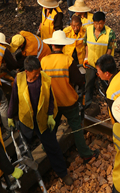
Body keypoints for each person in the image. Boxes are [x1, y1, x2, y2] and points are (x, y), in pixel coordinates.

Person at [8, 55, 73, 186]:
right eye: (35, 73)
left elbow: (50, 99)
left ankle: (63, 173)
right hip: (26, 119)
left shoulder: (44, 80)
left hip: (42, 119)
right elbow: (14, 98)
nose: (38, 75)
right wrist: (10, 116)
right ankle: (22, 173)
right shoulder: (19, 80)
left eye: (39, 72)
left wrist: (50, 115)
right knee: (23, 147)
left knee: (52, 146)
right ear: (27, 71)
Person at [42, 32, 96, 163]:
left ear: (53, 44)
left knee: (51, 129)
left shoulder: (44, 61)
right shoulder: (68, 60)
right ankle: (85, 153)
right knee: (76, 127)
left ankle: (50, 152)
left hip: (52, 102)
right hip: (68, 101)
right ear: (63, 45)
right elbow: (78, 80)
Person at [83, 11, 116, 111]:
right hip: (91, 63)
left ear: (104, 22)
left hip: (103, 65)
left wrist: (105, 65)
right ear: (93, 22)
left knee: (107, 85)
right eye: (96, 23)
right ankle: (87, 105)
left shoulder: (110, 33)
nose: (98, 26)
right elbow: (86, 44)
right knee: (89, 83)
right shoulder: (88, 30)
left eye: (100, 23)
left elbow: (110, 49)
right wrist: (86, 57)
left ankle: (111, 105)